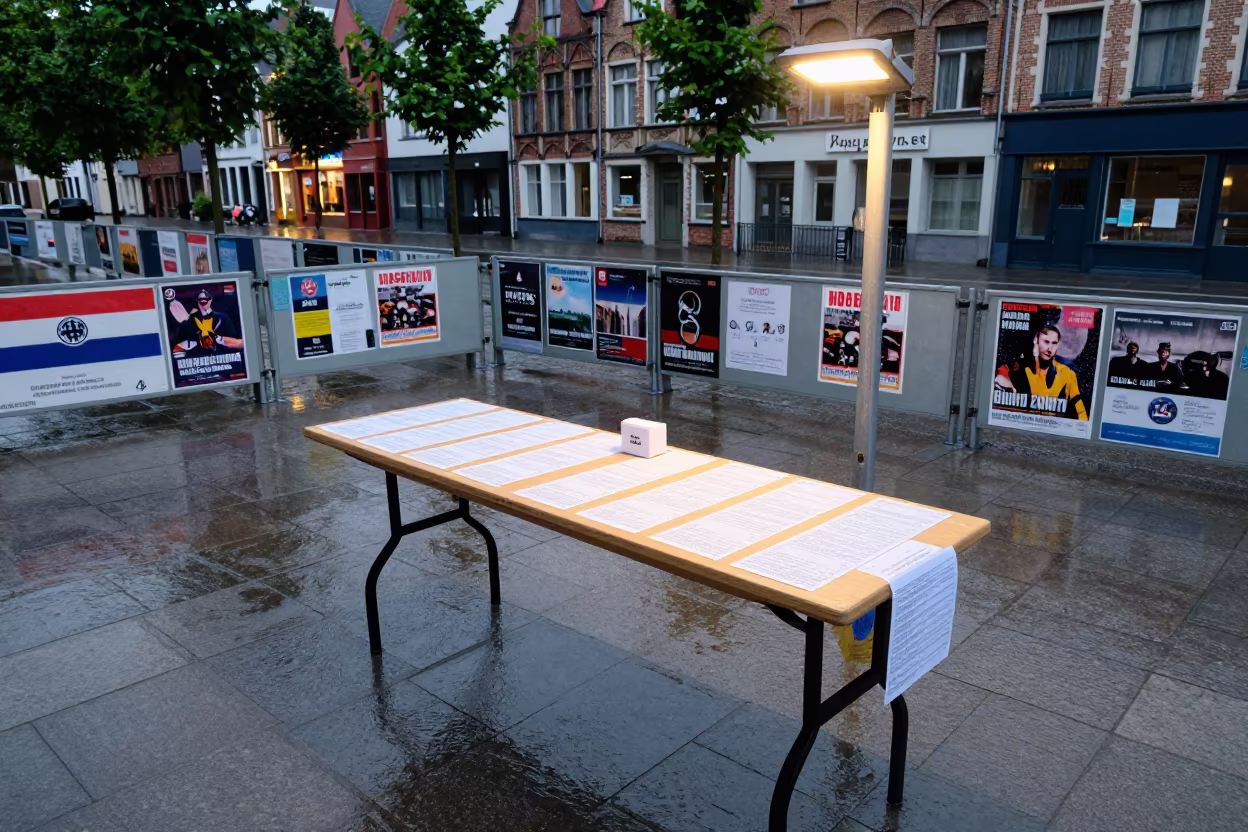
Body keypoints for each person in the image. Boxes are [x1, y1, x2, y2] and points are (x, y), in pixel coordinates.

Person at [994, 324, 1088, 419]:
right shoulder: (1021, 371)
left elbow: (1080, 411)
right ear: (1036, 340)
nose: (1050, 349)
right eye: (1046, 342)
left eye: (1054, 343)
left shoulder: (1068, 374)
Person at [173, 289, 243, 353]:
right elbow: (173, 349)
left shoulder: (223, 317)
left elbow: (243, 343)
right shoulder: (189, 320)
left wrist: (218, 339)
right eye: (200, 300)